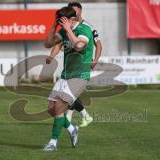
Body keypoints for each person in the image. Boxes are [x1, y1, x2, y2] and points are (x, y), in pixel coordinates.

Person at [43, 6, 94, 151]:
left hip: (80, 76)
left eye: (63, 21)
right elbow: (47, 43)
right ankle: (72, 129)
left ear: (72, 20)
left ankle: (53, 143)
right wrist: (54, 26)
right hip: (65, 75)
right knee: (51, 109)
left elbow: (79, 46)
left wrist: (68, 30)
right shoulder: (63, 30)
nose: (61, 24)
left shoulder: (85, 29)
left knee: (59, 107)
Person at [46, 2, 102, 128]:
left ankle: (77, 118)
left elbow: (98, 44)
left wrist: (95, 59)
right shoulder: (67, 28)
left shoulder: (88, 27)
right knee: (66, 99)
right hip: (68, 71)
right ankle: (79, 118)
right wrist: (51, 56)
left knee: (68, 97)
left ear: (80, 12)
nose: (74, 13)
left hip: (81, 69)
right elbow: (58, 44)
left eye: (75, 11)